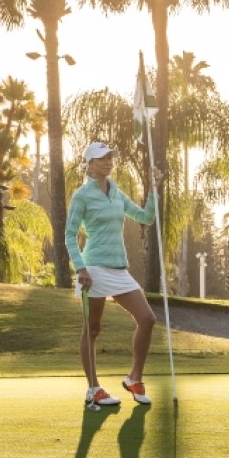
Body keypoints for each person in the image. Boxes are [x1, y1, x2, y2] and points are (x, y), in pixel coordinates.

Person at [66, 141, 163, 408]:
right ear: (90, 164)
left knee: (147, 318)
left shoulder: (117, 192)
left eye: (110, 157)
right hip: (93, 268)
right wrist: (81, 268)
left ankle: (134, 378)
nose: (108, 162)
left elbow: (145, 218)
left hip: (119, 269)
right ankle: (94, 388)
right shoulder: (82, 196)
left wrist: (153, 190)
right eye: (102, 158)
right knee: (93, 329)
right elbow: (69, 235)